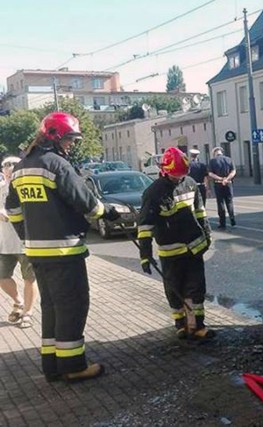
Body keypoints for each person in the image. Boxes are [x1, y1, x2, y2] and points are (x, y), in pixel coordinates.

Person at [5, 112, 121, 383]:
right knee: (72, 305)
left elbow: (12, 210)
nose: (71, 144)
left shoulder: (22, 167)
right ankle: (73, 366)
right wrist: (109, 212)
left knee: (53, 308)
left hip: (37, 253)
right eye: (69, 139)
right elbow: (86, 202)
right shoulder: (57, 165)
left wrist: (28, 235)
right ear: (55, 137)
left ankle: (53, 366)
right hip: (64, 252)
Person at [137, 147, 214, 340]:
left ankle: (198, 325)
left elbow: (200, 212)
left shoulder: (190, 183)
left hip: (194, 248)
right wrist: (145, 255)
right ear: (165, 170)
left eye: (181, 175)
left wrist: (207, 235)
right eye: (175, 176)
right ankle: (180, 325)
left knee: (196, 288)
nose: (178, 179)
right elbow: (145, 226)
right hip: (170, 252)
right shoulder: (153, 193)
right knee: (174, 290)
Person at [0, 156, 38, 329]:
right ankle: (19, 302)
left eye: (14, 164)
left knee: (29, 279)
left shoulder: (26, 189)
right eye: (6, 165)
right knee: (2, 277)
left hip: (25, 243)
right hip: (4, 243)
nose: (9, 168)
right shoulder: (0, 189)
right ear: (2, 170)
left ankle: (28, 313)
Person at [208, 147, 236, 229]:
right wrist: (227, 179)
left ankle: (222, 222)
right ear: (222, 152)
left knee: (220, 203)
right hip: (228, 183)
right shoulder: (229, 159)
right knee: (229, 201)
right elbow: (233, 171)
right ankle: (232, 219)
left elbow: (210, 174)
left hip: (218, 184)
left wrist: (221, 179)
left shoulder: (212, 161)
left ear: (215, 153)